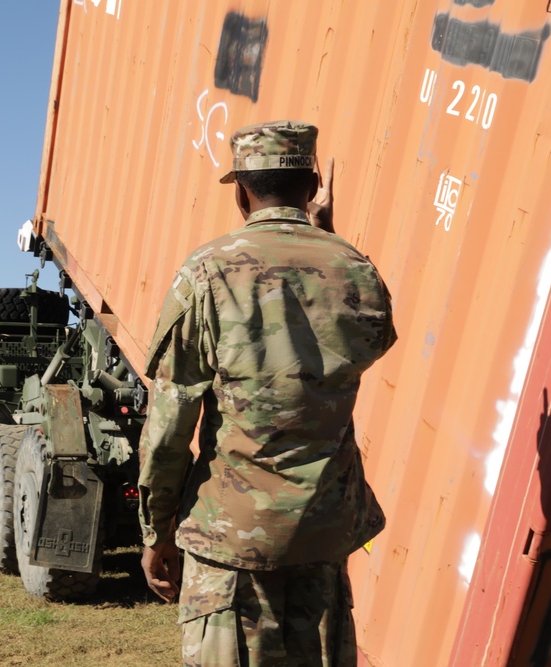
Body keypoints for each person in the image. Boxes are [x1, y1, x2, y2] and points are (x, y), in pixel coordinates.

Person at [138, 120, 397, 666]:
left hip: (231, 545)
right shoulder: (356, 269)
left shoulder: (208, 271)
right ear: (312, 185)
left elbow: (170, 424)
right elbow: (362, 343)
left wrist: (156, 530)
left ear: (241, 191)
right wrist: (326, 238)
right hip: (323, 536)